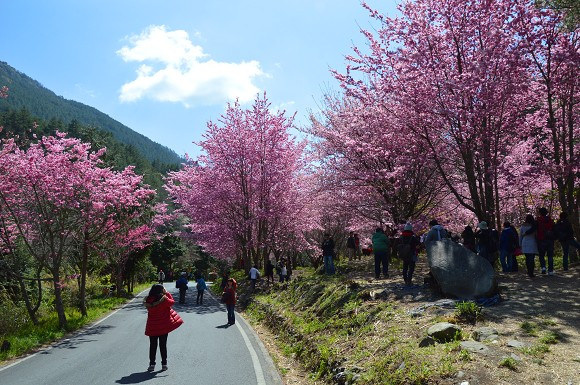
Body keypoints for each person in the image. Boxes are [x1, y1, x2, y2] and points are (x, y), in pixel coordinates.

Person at [144, 284, 183, 372]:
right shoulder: (164, 300)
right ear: (161, 290)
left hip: (152, 326)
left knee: (153, 346)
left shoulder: (148, 300)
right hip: (163, 327)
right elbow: (172, 302)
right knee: (163, 345)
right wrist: (167, 293)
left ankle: (152, 364)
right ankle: (164, 364)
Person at [527, 207, 555, 275]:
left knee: (541, 255)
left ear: (540, 213)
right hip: (550, 240)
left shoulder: (538, 220)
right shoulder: (551, 220)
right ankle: (550, 271)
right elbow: (554, 229)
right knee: (550, 256)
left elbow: (533, 228)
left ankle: (543, 268)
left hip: (541, 239)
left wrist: (526, 232)